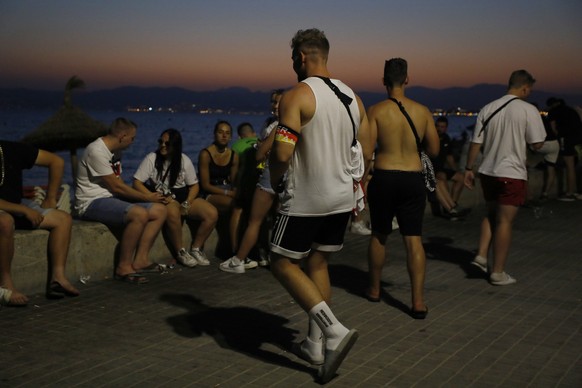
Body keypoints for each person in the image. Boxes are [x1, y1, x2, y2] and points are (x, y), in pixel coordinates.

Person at [268, 28, 372, 383]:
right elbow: (367, 150)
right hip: (341, 197)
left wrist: (275, 176)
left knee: (281, 262)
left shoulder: (297, 95)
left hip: (306, 198)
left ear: (300, 57)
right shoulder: (353, 97)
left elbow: (282, 151)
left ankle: (333, 331)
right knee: (318, 262)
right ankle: (314, 344)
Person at [365, 58, 439, 319]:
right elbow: (435, 149)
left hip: (384, 177)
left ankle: (374, 290)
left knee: (379, 235)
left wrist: (362, 181)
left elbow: (366, 151)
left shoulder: (375, 111)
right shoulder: (422, 111)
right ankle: (417, 302)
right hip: (412, 178)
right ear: (407, 79)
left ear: (383, 80)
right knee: (413, 239)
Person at [465, 70, 545, 285]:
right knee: (505, 221)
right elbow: (537, 143)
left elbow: (476, 142)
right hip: (512, 173)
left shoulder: (488, 108)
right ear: (525, 88)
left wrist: (468, 168)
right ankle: (498, 272)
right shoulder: (529, 110)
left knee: (491, 213)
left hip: (488, 172)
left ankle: (481, 256)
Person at [75, 118, 168, 285]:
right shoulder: (96, 151)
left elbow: (118, 185)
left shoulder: (116, 151)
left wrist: (151, 199)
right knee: (138, 214)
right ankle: (123, 267)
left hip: (111, 198)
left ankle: (140, 259)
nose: (133, 142)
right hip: (91, 202)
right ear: (123, 136)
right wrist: (147, 197)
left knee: (159, 210)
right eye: (132, 138)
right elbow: (116, 186)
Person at [0, 140, 79, 306]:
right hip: (9, 211)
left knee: (63, 219)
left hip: (17, 206)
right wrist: (22, 209)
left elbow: (56, 161)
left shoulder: (11, 148)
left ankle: (57, 278)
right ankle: (5, 283)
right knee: (5, 222)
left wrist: (50, 197)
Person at [133, 128, 218, 268]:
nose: (163, 145)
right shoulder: (152, 158)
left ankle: (196, 248)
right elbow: (137, 182)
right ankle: (180, 251)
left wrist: (187, 202)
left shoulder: (184, 160)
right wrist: (149, 196)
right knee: (173, 212)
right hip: (165, 198)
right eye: (161, 142)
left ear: (175, 145)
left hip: (183, 196)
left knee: (211, 213)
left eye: (167, 143)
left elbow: (194, 186)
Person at [220, 90, 283, 273]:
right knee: (271, 219)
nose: (275, 105)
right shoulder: (269, 123)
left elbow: (260, 152)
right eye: (273, 102)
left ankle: (239, 259)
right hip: (271, 175)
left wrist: (261, 148)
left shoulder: (281, 125)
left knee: (260, 219)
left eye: (279, 102)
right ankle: (268, 255)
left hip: (272, 176)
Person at [198, 121, 257, 268]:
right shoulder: (206, 154)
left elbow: (235, 181)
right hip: (210, 193)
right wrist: (228, 192)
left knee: (243, 205)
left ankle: (242, 253)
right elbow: (205, 185)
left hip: (228, 191)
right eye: (220, 132)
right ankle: (236, 252)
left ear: (231, 137)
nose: (224, 136)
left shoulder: (233, 156)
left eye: (227, 133)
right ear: (214, 134)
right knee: (235, 205)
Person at [431, 116, 470, 220]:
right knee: (441, 178)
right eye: (437, 126)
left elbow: (449, 157)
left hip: (441, 168)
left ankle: (453, 204)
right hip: (432, 170)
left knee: (461, 178)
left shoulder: (446, 138)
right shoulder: (430, 138)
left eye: (442, 127)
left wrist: (455, 169)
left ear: (446, 128)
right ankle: (450, 209)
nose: (439, 129)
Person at [546, 97, 582, 201]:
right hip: (578, 139)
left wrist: (558, 137)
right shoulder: (570, 110)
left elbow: (553, 129)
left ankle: (570, 193)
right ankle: (575, 192)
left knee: (569, 165)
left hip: (566, 139)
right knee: (575, 165)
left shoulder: (553, 112)